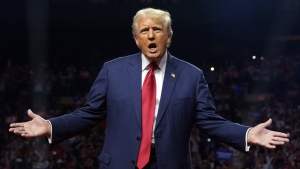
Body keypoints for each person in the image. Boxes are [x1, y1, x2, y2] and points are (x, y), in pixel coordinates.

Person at [9, 8, 289, 169]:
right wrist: (50, 126)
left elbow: (210, 122)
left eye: (157, 29)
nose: (151, 35)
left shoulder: (192, 76)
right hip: (118, 163)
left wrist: (248, 133)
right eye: (144, 31)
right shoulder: (113, 70)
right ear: (136, 39)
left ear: (169, 36)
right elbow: (89, 114)